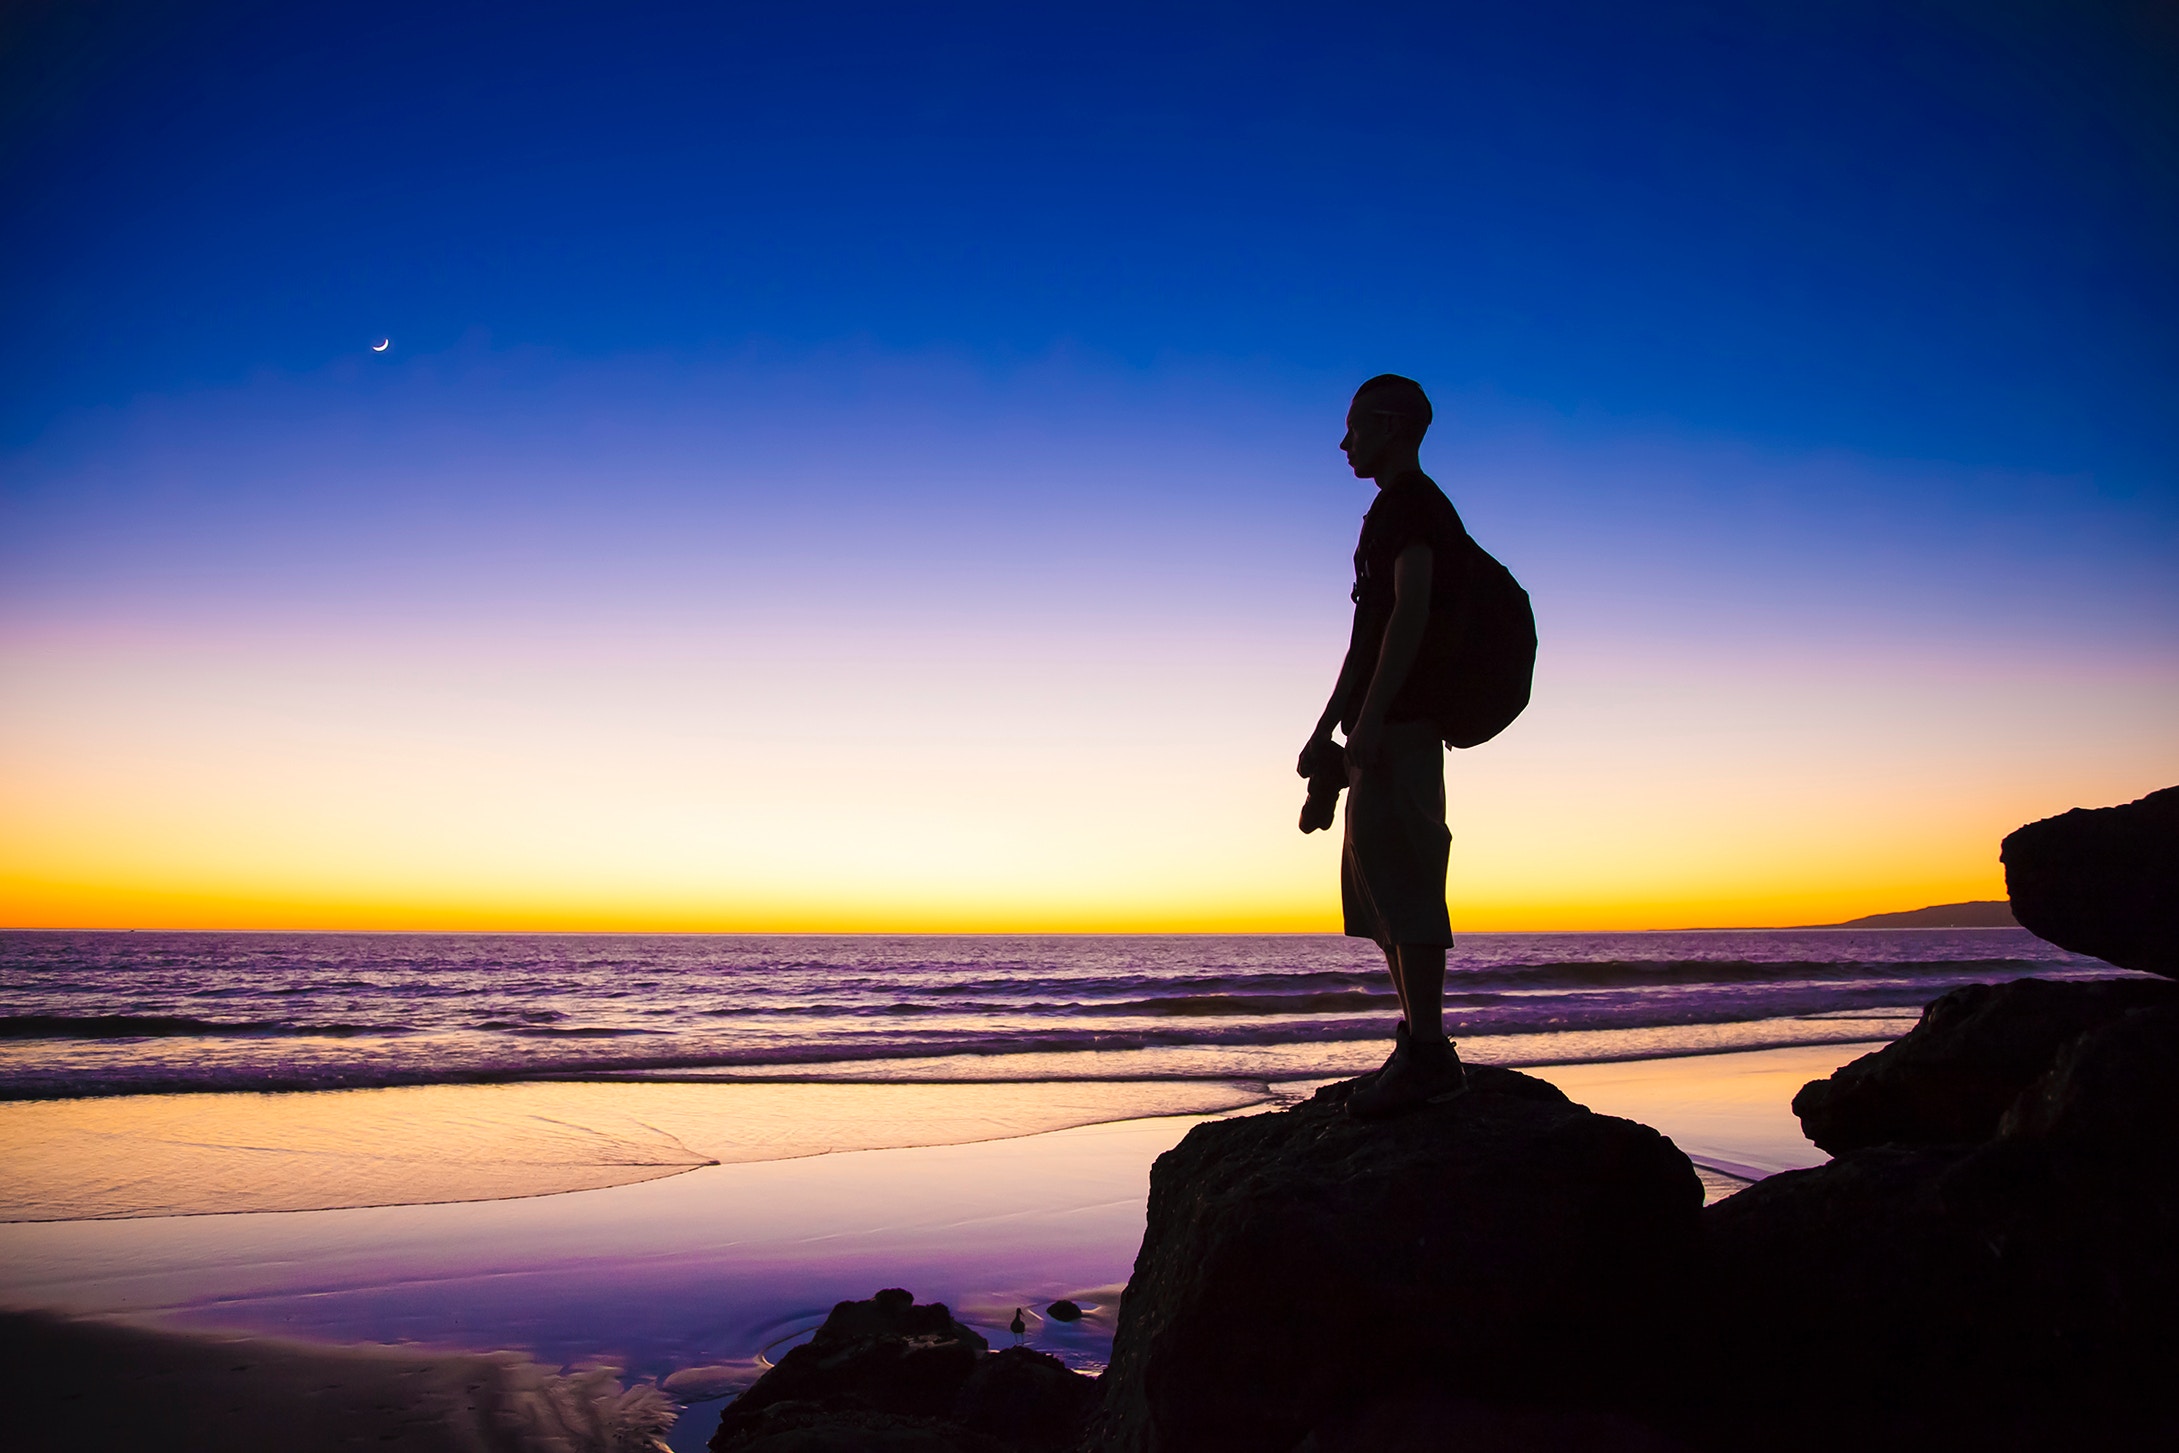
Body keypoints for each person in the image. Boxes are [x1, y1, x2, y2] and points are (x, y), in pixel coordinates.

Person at [1299, 374, 1470, 1119]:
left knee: (1405, 875)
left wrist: (1368, 719)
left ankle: (1429, 1053)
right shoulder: (1384, 513)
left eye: (1355, 428)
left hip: (1402, 722)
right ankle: (1416, 1044)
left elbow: (1411, 611)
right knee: (1376, 890)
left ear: (1391, 426)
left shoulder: (1414, 506)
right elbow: (1363, 635)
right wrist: (1324, 723)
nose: (1344, 443)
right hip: (1379, 719)